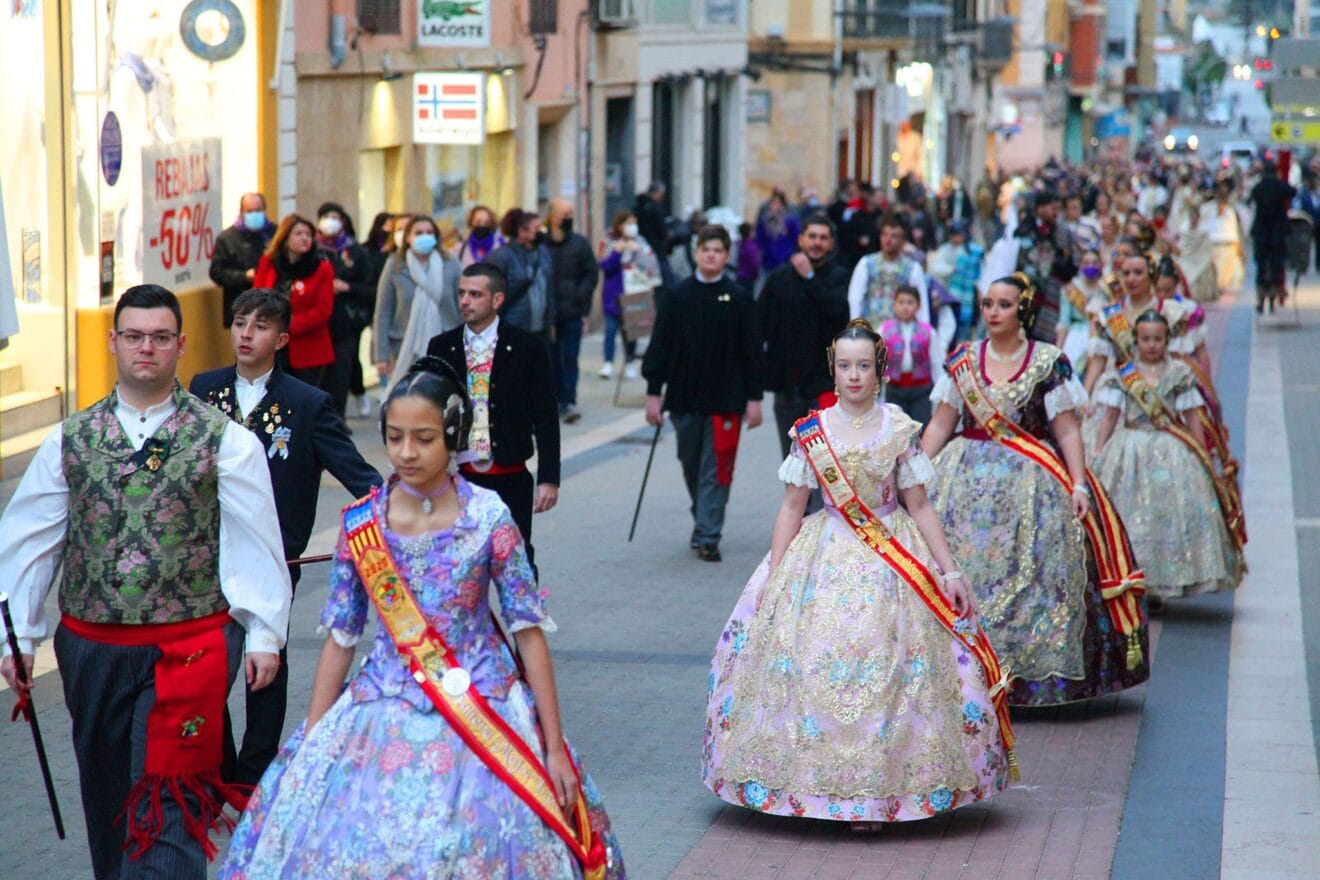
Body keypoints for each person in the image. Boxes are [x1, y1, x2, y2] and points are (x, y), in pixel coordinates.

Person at [218, 358, 624, 879]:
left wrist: (553, 746)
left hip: (487, 706)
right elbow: (342, 637)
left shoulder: (489, 517)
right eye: (394, 437)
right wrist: (314, 742)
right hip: (380, 704)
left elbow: (528, 631)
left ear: (453, 436)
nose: (406, 453)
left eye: (424, 438)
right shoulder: (364, 524)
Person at [0, 284, 291, 879]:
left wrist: (264, 631)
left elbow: (253, 540)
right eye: (134, 336)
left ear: (181, 345)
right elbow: (31, 541)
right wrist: (18, 637)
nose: (146, 349)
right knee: (108, 797)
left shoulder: (226, 441)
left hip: (191, 649)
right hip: (91, 647)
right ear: (114, 343)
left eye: (160, 338)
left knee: (169, 802)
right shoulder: (69, 440)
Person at [702, 320, 1017, 825]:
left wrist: (950, 570)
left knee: (898, 672)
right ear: (834, 368)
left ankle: (883, 794)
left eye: (863, 366)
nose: (853, 376)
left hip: (894, 559)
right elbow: (791, 506)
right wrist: (776, 573)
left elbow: (920, 504)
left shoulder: (898, 428)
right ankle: (815, 789)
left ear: (880, 370)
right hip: (822, 554)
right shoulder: (813, 430)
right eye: (845, 366)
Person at [923, 274, 1150, 706]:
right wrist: (914, 471)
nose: (992, 312)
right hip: (964, 484)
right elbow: (940, 423)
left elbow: (1067, 433)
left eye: (1003, 305)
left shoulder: (1048, 361)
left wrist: (1079, 483)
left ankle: (1025, 677)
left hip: (1035, 487)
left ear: (1022, 311)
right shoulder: (964, 360)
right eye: (988, 303)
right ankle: (960, 674)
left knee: (1037, 577)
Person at [190, 288, 383, 787]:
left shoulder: (307, 403)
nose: (246, 334)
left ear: (282, 338)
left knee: (267, 650)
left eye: (259, 326)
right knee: (209, 661)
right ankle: (219, 767)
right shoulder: (204, 391)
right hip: (205, 552)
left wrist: (403, 510)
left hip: (276, 556)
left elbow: (358, 474)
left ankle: (255, 771)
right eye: (239, 323)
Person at [1091, 311, 1245, 606]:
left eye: (1157, 339)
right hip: (1129, 446)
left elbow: (1192, 418)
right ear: (1135, 340)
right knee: (1127, 515)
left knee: (1168, 516)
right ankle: (1130, 577)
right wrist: (1099, 450)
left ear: (1167, 341)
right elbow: (1110, 415)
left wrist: (1200, 452)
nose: (1151, 345)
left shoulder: (1179, 373)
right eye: (1145, 339)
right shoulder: (1122, 375)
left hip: (1172, 449)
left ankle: (1161, 581)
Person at [426, 263, 561, 571]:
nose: (465, 301)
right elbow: (428, 412)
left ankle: (524, 619)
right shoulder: (441, 346)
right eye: (461, 293)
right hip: (459, 476)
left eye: (475, 294)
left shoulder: (528, 347)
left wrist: (549, 478)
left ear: (497, 300)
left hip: (510, 473)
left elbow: (546, 415)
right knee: (460, 563)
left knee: (516, 558)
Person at [643, 225, 764, 562]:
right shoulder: (677, 296)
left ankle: (709, 534)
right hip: (684, 397)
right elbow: (659, 348)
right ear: (696, 253)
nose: (711, 255)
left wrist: (754, 398)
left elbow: (752, 351)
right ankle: (703, 516)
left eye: (718, 250)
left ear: (726, 256)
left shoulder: (739, 297)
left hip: (727, 400)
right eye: (705, 249)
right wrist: (654, 393)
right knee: (690, 463)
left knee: (717, 468)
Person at [757, 213, 850, 456]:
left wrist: (809, 278)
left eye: (823, 238)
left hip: (823, 383)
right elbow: (759, 326)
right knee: (792, 461)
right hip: (786, 385)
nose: (817, 243)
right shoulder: (779, 279)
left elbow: (839, 314)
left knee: (823, 458)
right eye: (812, 237)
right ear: (801, 240)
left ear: (830, 244)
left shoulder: (838, 277)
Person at [382, 215, 463, 394]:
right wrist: (381, 354)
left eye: (429, 232)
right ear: (408, 237)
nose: (424, 236)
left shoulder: (451, 263)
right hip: (404, 345)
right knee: (409, 395)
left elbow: (463, 304)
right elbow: (383, 312)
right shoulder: (394, 266)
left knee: (444, 396)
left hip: (446, 342)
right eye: (418, 232)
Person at [253, 213, 336, 387]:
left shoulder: (322, 268)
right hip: (272, 346)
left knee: (303, 405)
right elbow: (256, 297)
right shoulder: (268, 262)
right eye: (298, 234)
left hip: (308, 350)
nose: (304, 238)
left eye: (308, 234)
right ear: (285, 238)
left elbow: (322, 311)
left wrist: (287, 325)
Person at [314, 202, 376, 419]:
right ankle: (320, 415)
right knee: (320, 372)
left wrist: (347, 287)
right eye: (326, 216)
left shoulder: (356, 252)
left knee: (342, 369)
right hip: (318, 322)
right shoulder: (311, 250)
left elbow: (369, 288)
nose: (331, 221)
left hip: (347, 321)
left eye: (335, 217)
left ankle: (338, 417)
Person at [544, 198, 600, 425]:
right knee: (550, 359)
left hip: (571, 311)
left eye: (570, 213)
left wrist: (581, 297)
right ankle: (554, 400)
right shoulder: (542, 243)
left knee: (569, 357)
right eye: (563, 213)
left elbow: (591, 273)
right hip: (547, 315)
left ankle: (569, 400)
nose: (567, 218)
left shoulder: (579, 244)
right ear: (552, 216)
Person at [848, 214, 945, 343]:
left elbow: (921, 303)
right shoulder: (866, 264)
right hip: (870, 335)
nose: (888, 240)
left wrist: (921, 336)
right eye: (885, 234)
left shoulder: (912, 268)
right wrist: (856, 331)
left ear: (903, 240)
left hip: (902, 338)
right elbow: (855, 299)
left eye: (894, 236)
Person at [597, 209, 662, 380]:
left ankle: (630, 361)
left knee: (632, 330)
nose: (632, 227)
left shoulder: (641, 242)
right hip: (613, 293)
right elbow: (604, 265)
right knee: (610, 330)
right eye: (628, 223)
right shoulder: (608, 242)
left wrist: (638, 251)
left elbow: (652, 265)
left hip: (634, 291)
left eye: (634, 223)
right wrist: (617, 252)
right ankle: (608, 363)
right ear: (619, 225)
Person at [878, 284, 944, 424]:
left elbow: (936, 363)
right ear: (894, 305)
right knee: (894, 430)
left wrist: (940, 393)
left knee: (920, 427)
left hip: (921, 390)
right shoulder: (884, 330)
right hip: (894, 388)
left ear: (918, 306)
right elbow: (877, 362)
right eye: (901, 302)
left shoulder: (928, 332)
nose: (905, 307)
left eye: (910, 302)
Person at [210, 192, 276, 327]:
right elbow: (217, 273)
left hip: (272, 306)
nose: (254, 215)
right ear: (241, 212)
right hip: (241, 306)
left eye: (258, 210)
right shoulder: (227, 238)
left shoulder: (275, 233)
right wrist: (244, 276)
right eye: (250, 211)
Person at [488, 208, 554, 342]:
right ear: (522, 231)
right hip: (513, 328)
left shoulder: (543, 253)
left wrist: (551, 321)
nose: (541, 232)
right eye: (536, 228)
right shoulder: (502, 256)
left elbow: (549, 289)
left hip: (540, 330)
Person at [1248, 159, 1297, 313]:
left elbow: (1252, 198)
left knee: (1261, 266)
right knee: (1277, 264)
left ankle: (1261, 296)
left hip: (1261, 233)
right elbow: (1293, 192)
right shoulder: (1279, 185)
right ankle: (1275, 294)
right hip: (1277, 233)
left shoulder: (1258, 187)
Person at [928, 220, 983, 341]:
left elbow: (980, 273)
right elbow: (936, 268)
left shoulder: (974, 251)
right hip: (950, 294)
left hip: (969, 295)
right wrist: (951, 269)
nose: (957, 238)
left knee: (966, 328)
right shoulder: (945, 250)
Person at [1057, 248, 1104, 369]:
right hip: (1075, 337)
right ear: (1081, 265)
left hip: (1097, 338)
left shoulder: (1105, 291)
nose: (1090, 266)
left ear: (1100, 265)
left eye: (1094, 263)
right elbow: (1064, 322)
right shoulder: (1071, 289)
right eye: (1086, 263)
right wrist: (1058, 350)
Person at [635, 180, 674, 289]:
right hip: (656, 247)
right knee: (667, 278)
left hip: (642, 247)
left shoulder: (639, 205)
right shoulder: (654, 207)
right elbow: (661, 228)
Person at [755, 190, 801, 275]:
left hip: (785, 259)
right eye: (774, 203)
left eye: (779, 203)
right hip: (768, 260)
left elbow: (797, 238)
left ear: (783, 205)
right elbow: (759, 238)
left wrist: (792, 254)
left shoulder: (790, 220)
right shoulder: (765, 219)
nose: (776, 206)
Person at [734, 221, 761, 297]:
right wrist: (756, 274)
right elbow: (754, 263)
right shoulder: (752, 247)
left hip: (739, 275)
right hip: (749, 276)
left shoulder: (738, 244)